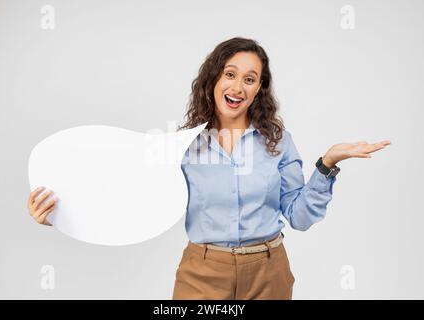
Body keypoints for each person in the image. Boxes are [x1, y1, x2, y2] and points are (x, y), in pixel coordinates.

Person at [27, 37, 391, 300]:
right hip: (202, 274)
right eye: (230, 74)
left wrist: (327, 166)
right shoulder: (182, 147)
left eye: (250, 79)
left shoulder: (277, 142)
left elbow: (299, 216)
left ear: (258, 89)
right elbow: (123, 192)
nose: (238, 86)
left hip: (269, 273)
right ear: (213, 80)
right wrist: (60, 213)